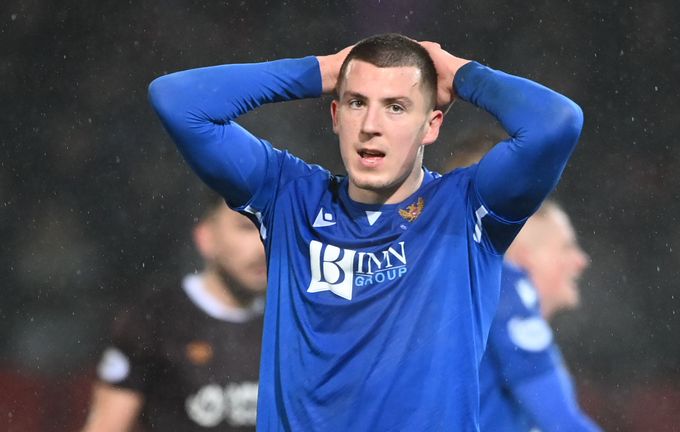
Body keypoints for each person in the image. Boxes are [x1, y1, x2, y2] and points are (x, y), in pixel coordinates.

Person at [148, 33, 584, 430]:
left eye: (396, 106)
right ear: (335, 115)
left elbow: (556, 122)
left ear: (431, 125)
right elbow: (177, 100)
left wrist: (461, 74)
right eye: (357, 102)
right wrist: (322, 71)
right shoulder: (287, 198)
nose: (370, 124)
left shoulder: (468, 207)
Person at [81, 194, 268, 432]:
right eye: (245, 228)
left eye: (270, 229)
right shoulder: (154, 320)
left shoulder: (298, 322)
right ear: (206, 238)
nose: (263, 245)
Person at [479, 200, 602, 431]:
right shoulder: (505, 291)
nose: (581, 261)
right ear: (525, 258)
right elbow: (561, 423)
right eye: (567, 247)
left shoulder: (487, 302)